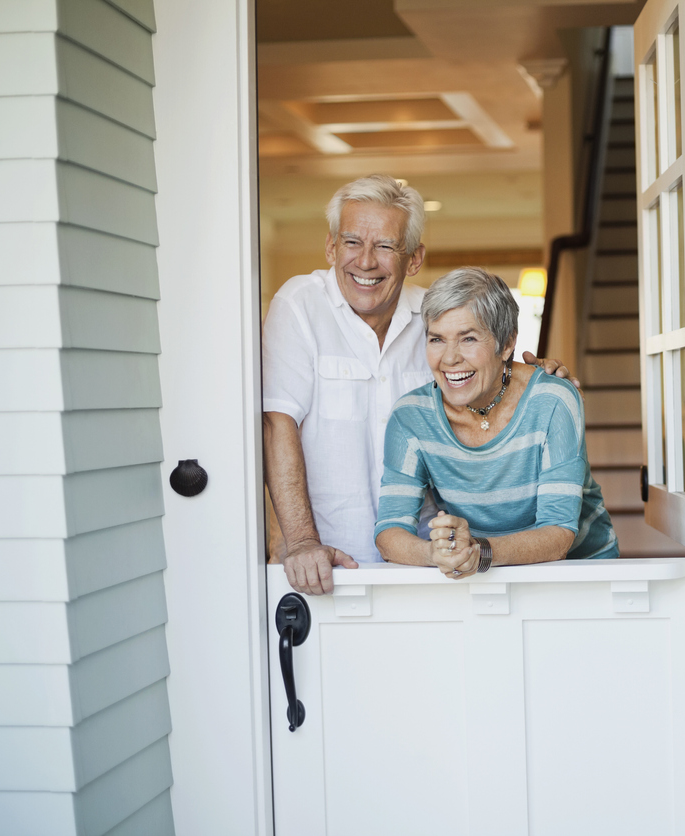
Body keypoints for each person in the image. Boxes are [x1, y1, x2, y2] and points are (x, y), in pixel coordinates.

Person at [262, 175, 575, 594]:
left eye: (386, 246)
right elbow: (276, 424)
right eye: (352, 242)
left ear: (413, 259)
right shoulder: (298, 306)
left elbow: (487, 382)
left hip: (430, 560)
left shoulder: (433, 323)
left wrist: (542, 379)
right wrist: (300, 540)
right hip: (327, 558)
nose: (366, 261)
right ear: (331, 247)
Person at [375, 268, 618, 576]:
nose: (449, 358)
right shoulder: (410, 417)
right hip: (481, 574)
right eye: (437, 339)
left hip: (579, 572)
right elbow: (389, 533)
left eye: (468, 338)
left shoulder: (553, 401)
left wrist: (479, 553)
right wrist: (435, 554)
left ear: (506, 344)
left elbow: (558, 534)